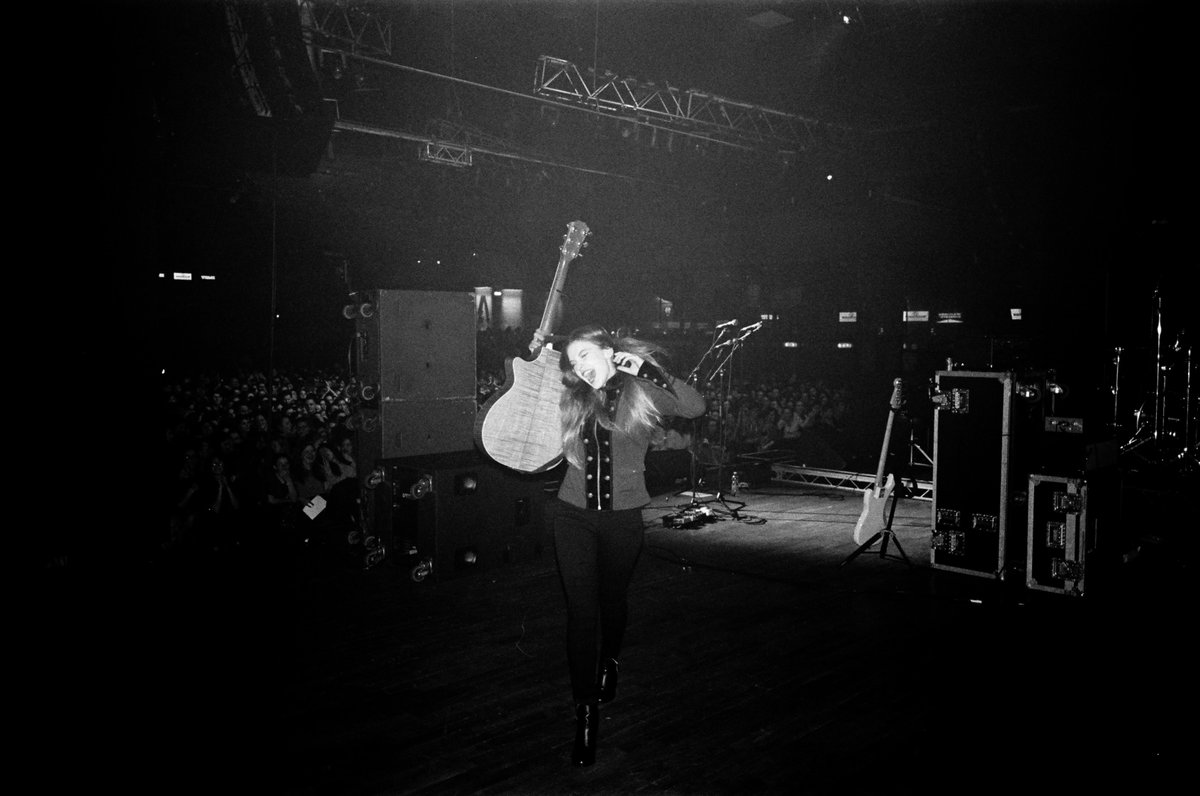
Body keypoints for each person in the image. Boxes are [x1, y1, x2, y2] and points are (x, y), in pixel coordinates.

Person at [553, 324, 706, 766]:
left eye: (585, 355)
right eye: (573, 362)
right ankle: (585, 714)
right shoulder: (573, 395)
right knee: (582, 613)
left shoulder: (641, 391)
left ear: (609, 351)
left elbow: (694, 407)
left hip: (622, 518)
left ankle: (611, 661)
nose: (580, 367)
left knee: (612, 600)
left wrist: (647, 369)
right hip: (572, 516)